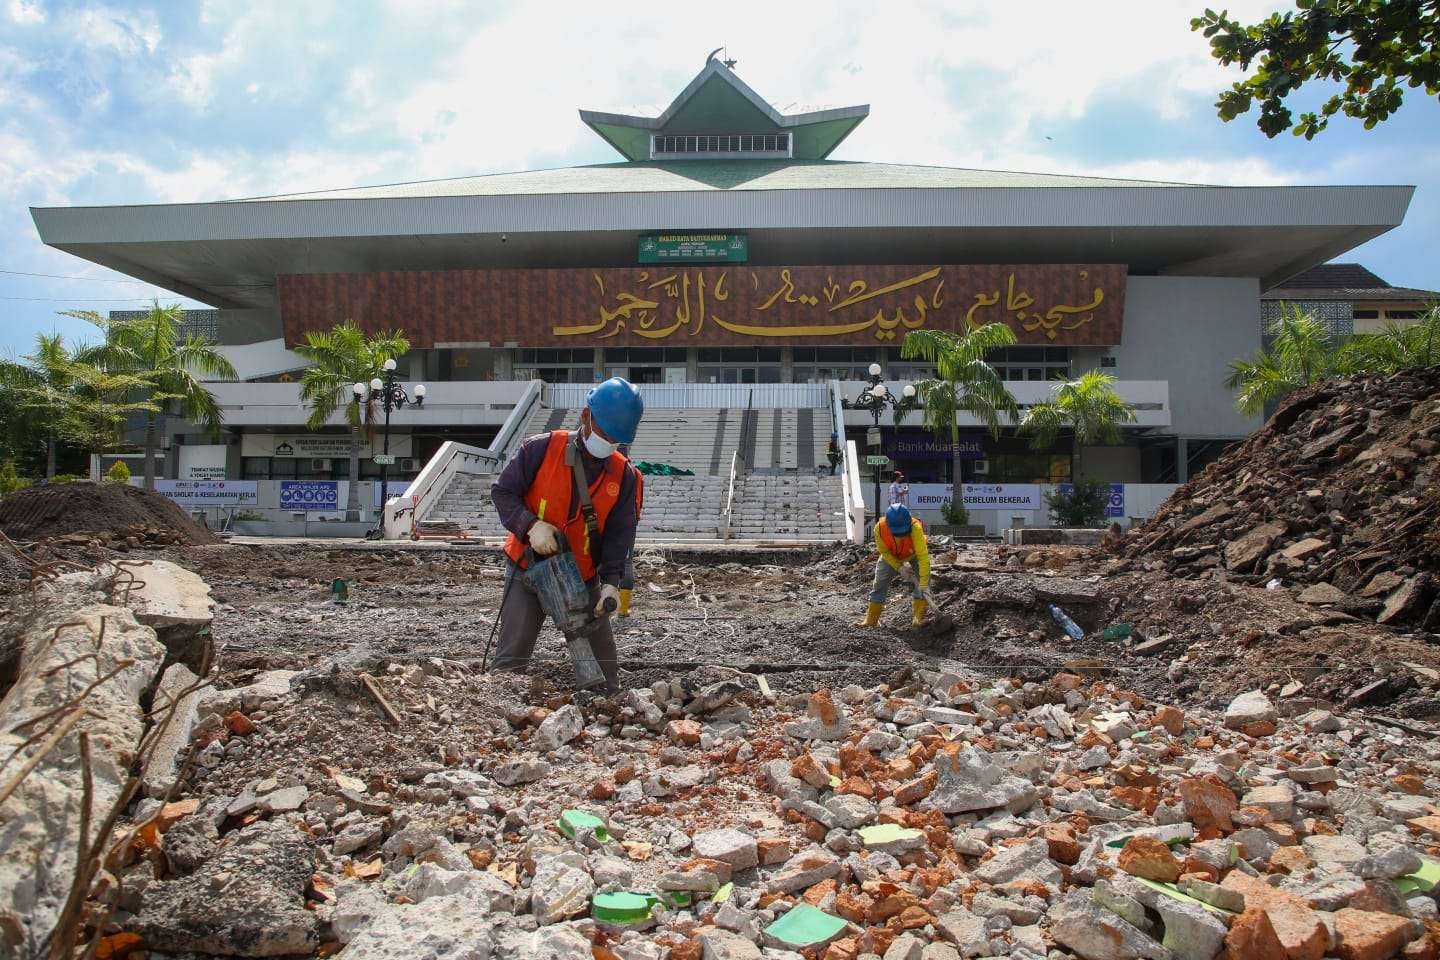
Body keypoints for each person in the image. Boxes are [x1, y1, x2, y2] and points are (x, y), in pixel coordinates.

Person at [491, 377, 644, 693]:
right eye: (605, 434)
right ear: (586, 416)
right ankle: (498, 709)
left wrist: (612, 585)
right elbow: (503, 492)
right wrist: (530, 526)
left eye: (616, 439)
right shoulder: (540, 449)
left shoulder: (625, 476)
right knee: (509, 666)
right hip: (527, 570)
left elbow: (620, 535)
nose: (609, 444)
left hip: (584, 578)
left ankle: (606, 710)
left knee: (604, 678)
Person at [858, 503, 930, 628]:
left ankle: (918, 619)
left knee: (922, 582)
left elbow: (923, 556)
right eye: (898, 533)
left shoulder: (915, 528)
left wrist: (923, 584)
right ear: (889, 525)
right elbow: (884, 552)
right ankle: (871, 620)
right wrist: (899, 567)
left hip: (914, 555)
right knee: (879, 583)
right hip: (890, 556)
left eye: (904, 532)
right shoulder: (879, 528)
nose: (901, 536)